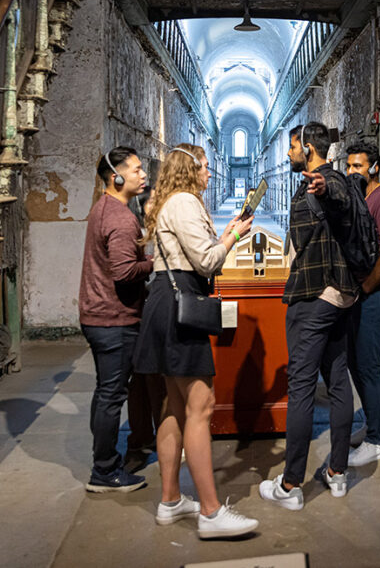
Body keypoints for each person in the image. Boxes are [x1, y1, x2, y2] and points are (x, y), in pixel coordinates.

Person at [133, 144, 259, 539]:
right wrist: (234, 236)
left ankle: (171, 500)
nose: (210, 172)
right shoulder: (185, 201)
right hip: (179, 306)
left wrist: (221, 234)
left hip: (165, 303)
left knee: (174, 405)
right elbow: (205, 262)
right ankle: (210, 511)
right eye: (205, 166)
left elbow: (193, 252)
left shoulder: (172, 201)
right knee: (201, 406)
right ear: (190, 169)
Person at [259, 122, 355, 511]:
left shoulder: (329, 182)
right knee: (337, 380)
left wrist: (322, 187)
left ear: (310, 149)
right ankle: (337, 472)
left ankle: (291, 483)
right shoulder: (336, 179)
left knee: (300, 387)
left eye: (293, 146)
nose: (288, 154)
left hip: (314, 297)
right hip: (339, 298)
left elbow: (336, 197)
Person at [78, 147, 154, 492]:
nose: (143, 175)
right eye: (136, 170)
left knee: (105, 393)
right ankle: (104, 472)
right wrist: (157, 260)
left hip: (98, 314)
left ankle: (104, 461)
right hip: (114, 318)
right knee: (111, 396)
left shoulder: (103, 208)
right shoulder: (122, 219)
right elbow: (124, 273)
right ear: (116, 177)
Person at [344, 141, 380, 466]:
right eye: (350, 166)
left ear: (375, 167)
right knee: (356, 362)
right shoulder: (360, 198)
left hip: (376, 295)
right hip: (360, 294)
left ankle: (376, 440)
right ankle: (374, 423)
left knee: (368, 365)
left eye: (358, 166)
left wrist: (365, 287)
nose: (353, 171)